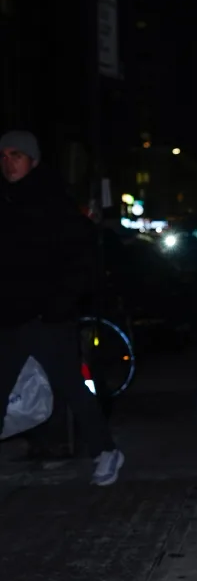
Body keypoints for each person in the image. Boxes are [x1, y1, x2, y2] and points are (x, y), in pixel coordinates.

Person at [0, 130, 124, 484]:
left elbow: (82, 259)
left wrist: (58, 306)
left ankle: (105, 451)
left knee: (71, 387)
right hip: (10, 318)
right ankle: (104, 451)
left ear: (32, 160)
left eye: (16, 155)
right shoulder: (5, 201)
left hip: (47, 320)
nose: (9, 163)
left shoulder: (54, 202)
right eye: (4, 156)